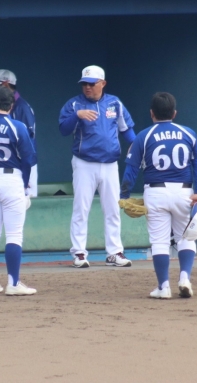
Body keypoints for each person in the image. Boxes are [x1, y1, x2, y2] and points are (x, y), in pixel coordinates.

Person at [120, 92, 197, 299]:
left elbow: (131, 170)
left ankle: (163, 287)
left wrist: (124, 195)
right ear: (174, 113)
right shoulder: (188, 133)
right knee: (186, 237)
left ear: (152, 113)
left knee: (159, 241)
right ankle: (184, 278)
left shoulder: (144, 136)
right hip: (184, 192)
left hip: (155, 191)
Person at [59, 65, 136, 268]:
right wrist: (77, 115)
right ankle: (79, 253)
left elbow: (126, 129)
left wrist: (136, 147)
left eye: (92, 84)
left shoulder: (114, 103)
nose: (87, 87)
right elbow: (63, 129)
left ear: (103, 83)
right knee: (81, 209)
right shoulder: (74, 104)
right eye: (84, 83)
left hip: (110, 164)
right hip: (84, 163)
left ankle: (114, 252)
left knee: (112, 209)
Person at [0, 86, 37, 296]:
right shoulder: (17, 126)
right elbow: (28, 159)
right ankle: (13, 283)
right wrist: (25, 185)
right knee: (14, 234)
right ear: (11, 105)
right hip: (11, 180)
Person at [0, 70, 38, 196]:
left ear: (5, 84)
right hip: (7, 168)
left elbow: (27, 144)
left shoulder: (21, 107)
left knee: (26, 205)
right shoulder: (1, 107)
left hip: (23, 167)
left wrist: (24, 173)